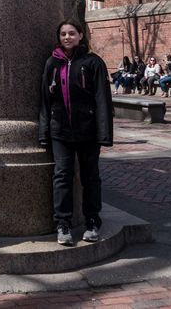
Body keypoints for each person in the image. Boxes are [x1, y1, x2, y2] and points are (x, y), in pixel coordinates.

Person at [39, 20, 113, 246]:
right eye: (63, 34)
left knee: (91, 177)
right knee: (62, 176)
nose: (67, 37)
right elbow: (45, 101)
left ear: (81, 35)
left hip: (88, 131)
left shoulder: (93, 63)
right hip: (60, 131)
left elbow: (103, 99)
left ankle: (92, 220)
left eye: (72, 33)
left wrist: (104, 133)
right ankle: (63, 223)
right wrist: (45, 132)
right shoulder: (53, 63)